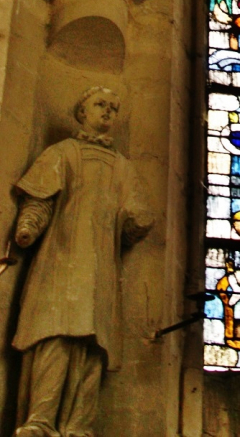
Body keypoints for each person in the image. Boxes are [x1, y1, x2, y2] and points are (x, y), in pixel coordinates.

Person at [12, 88, 152, 437]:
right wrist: (28, 226)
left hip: (101, 266)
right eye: (100, 105)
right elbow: (40, 199)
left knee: (93, 347)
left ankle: (79, 425)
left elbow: (134, 217)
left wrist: (138, 223)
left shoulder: (122, 166)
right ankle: (41, 419)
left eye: (114, 107)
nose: (107, 112)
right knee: (54, 335)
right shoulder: (63, 153)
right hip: (62, 258)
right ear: (81, 111)